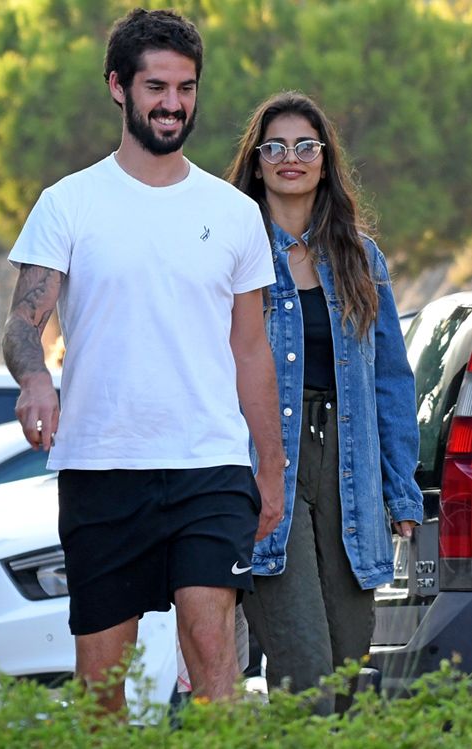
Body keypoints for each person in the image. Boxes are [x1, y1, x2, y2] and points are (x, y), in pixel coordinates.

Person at [2, 8, 285, 712]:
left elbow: (250, 350)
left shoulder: (233, 213)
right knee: (102, 690)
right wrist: (34, 376)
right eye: (156, 86)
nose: (172, 103)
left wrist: (271, 470)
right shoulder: (67, 204)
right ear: (117, 87)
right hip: (101, 466)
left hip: (208, 467)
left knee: (212, 646)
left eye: (185, 87)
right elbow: (22, 321)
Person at [226, 91, 423, 714]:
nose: (291, 158)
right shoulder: (234, 255)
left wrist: (401, 491)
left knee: (347, 667)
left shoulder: (361, 259)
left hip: (350, 468)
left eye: (305, 146)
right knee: (305, 673)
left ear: (324, 159)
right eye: (275, 147)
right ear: (256, 163)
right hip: (268, 467)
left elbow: (391, 379)